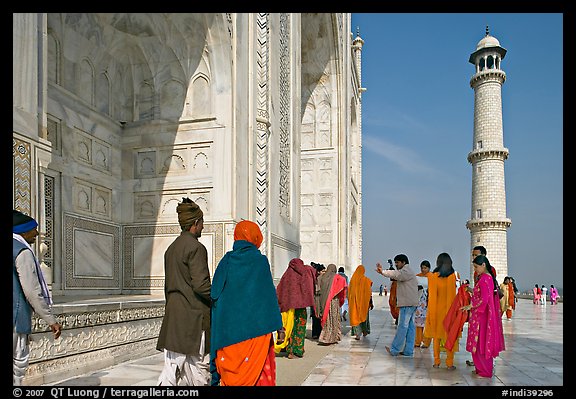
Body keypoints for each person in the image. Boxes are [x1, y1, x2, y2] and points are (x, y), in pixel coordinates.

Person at [209, 220, 282, 385]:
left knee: (231, 376)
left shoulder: (226, 261)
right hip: (256, 332)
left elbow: (215, 296)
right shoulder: (260, 261)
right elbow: (268, 296)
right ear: (255, 237)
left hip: (228, 334)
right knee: (257, 377)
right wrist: (279, 326)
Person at [156, 198, 212, 386]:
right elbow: (201, 286)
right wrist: (219, 297)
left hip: (174, 317)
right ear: (195, 224)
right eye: (202, 223)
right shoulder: (196, 248)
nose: (203, 227)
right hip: (193, 319)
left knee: (171, 371)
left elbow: (169, 286)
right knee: (198, 370)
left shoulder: (171, 249)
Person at [13, 210, 62, 386]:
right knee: (17, 366)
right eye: (33, 229)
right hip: (15, 318)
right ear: (23, 231)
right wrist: (51, 319)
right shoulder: (22, 251)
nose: (36, 234)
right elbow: (32, 291)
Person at [461, 255, 505, 378]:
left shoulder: (486, 278)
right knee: (478, 342)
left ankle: (485, 371)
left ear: (483, 265)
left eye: (476, 267)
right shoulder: (484, 278)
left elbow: (485, 299)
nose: (475, 269)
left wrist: (471, 306)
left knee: (482, 342)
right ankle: (480, 369)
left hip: (482, 316)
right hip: (479, 315)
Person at [376, 254, 419, 357]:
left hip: (407, 304)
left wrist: (383, 272)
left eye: (397, 262)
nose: (396, 264)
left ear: (404, 262)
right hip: (411, 303)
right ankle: (408, 351)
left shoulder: (406, 271)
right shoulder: (407, 271)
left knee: (403, 327)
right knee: (410, 328)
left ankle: (394, 350)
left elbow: (396, 274)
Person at [275, 258, 317, 359]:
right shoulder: (306, 271)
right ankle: (298, 350)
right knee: (300, 328)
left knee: (290, 328)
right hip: (301, 307)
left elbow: (280, 290)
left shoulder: (288, 274)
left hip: (289, 307)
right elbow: (313, 281)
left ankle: (290, 351)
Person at [424, 253, 460, 370]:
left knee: (436, 337)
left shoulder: (433, 276)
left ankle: (436, 361)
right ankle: (449, 363)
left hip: (436, 311)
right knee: (450, 336)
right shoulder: (454, 276)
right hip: (450, 312)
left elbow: (431, 295)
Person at [315, 264, 348, 345]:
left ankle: (325, 337)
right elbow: (343, 285)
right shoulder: (337, 278)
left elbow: (317, 290)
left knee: (326, 319)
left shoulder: (321, 277)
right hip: (333, 301)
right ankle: (333, 337)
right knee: (334, 318)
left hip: (323, 301)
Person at [348, 265, 374, 340]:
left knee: (355, 317)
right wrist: (371, 302)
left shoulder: (352, 280)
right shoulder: (366, 280)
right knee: (364, 317)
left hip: (354, 304)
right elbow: (369, 293)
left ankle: (357, 335)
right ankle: (365, 331)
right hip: (364, 304)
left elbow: (349, 293)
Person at [414, 260, 431, 349]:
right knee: (418, 322)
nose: (423, 269)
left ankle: (426, 342)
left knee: (427, 323)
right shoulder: (417, 277)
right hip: (419, 302)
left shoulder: (432, 277)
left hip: (428, 301)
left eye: (425, 268)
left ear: (429, 268)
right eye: (422, 268)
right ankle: (417, 341)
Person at [309, 262, 325, 339]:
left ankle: (318, 333)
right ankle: (316, 333)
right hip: (316, 300)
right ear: (318, 271)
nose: (323, 273)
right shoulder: (315, 279)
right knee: (315, 316)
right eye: (322, 271)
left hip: (318, 300)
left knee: (318, 316)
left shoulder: (321, 279)